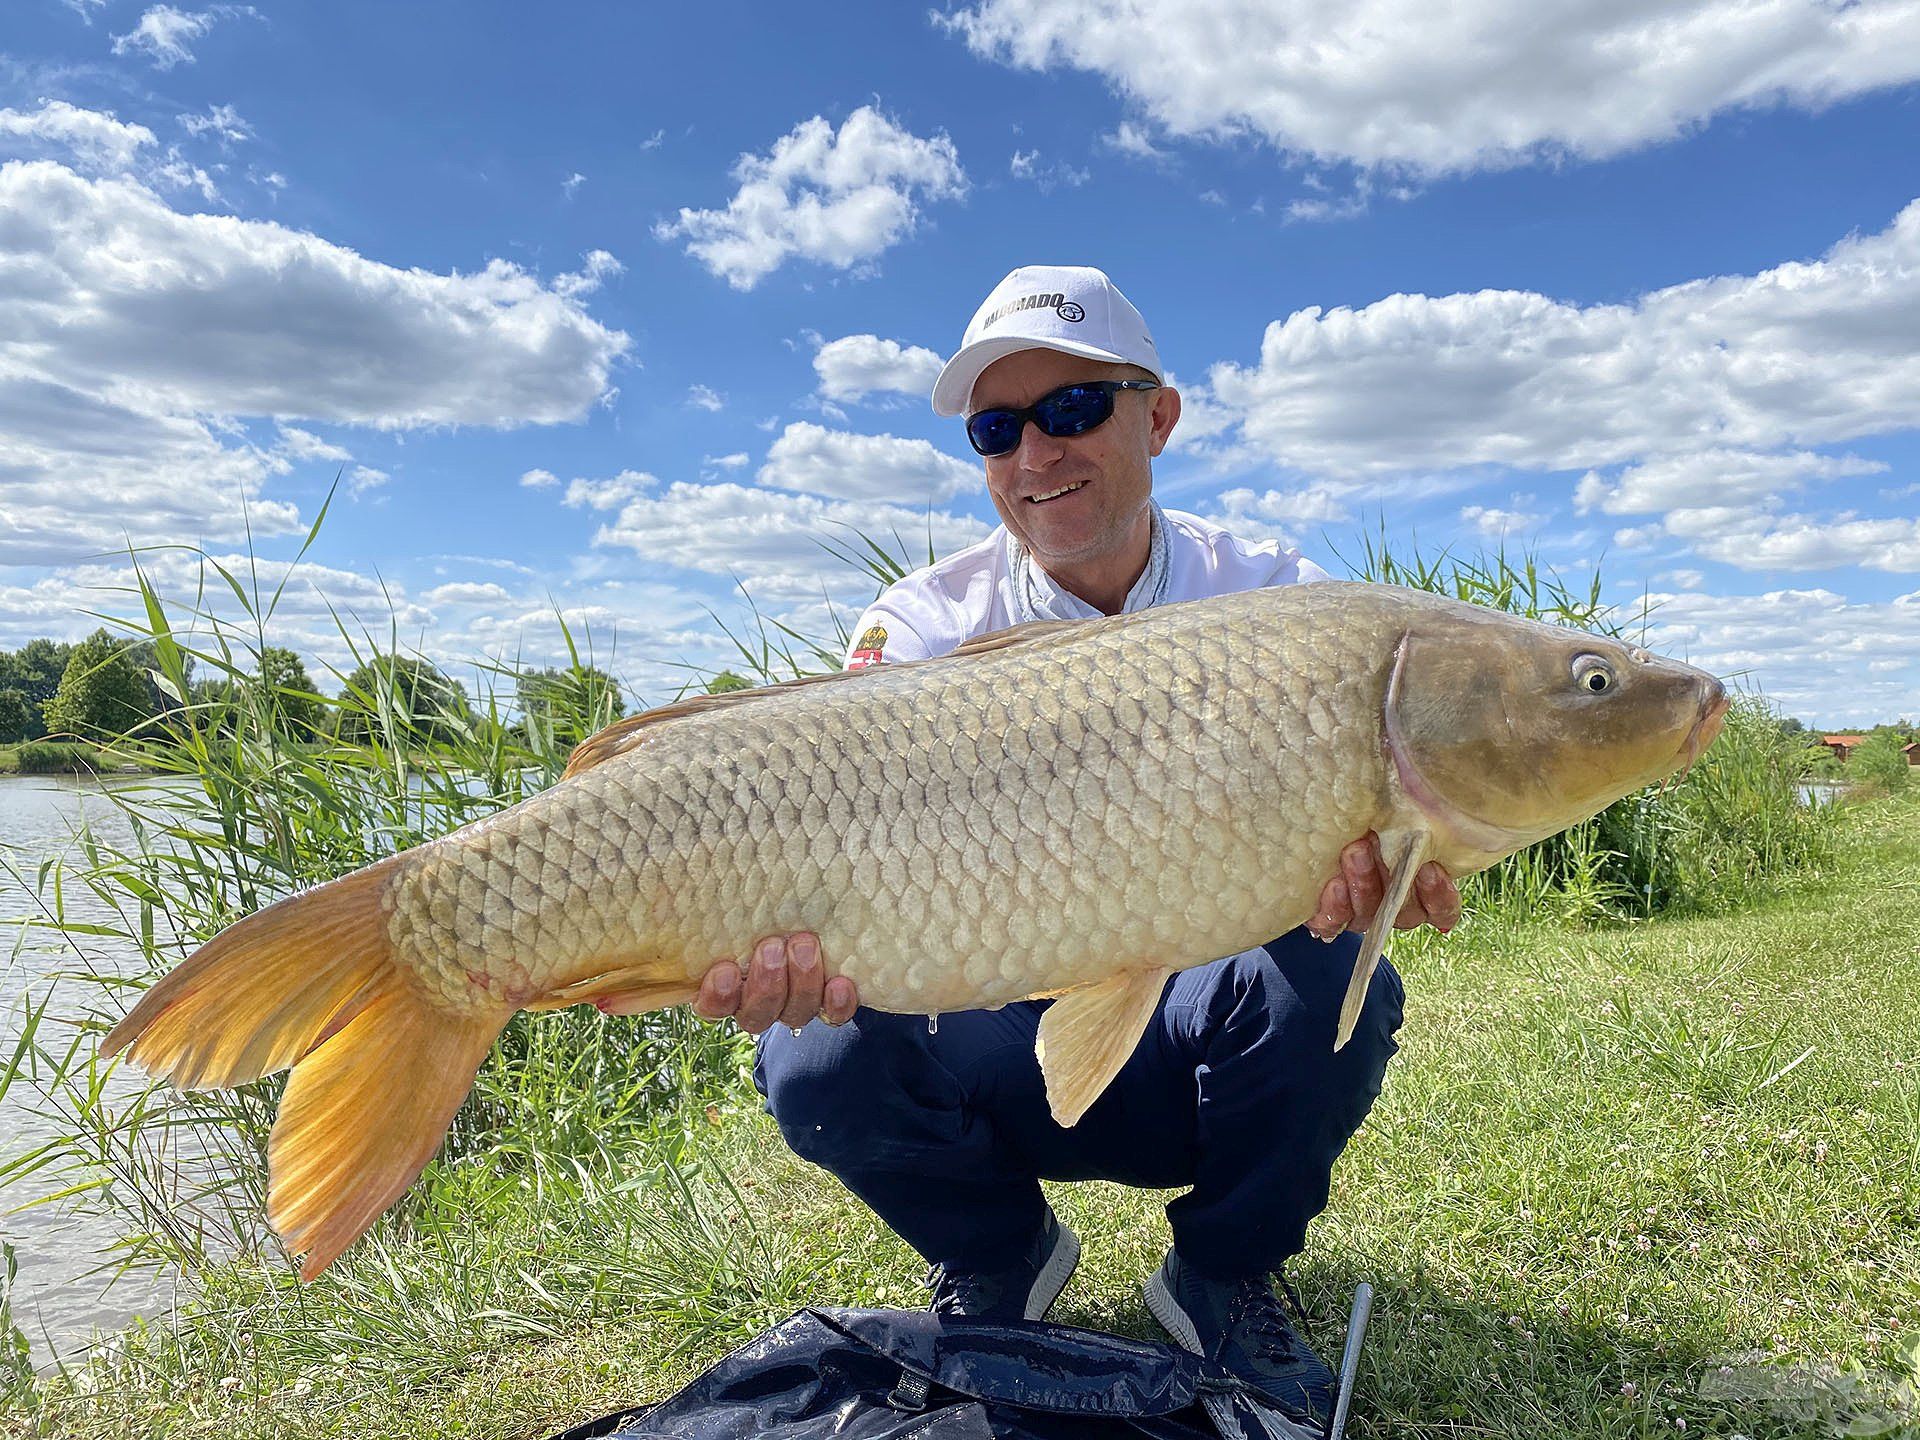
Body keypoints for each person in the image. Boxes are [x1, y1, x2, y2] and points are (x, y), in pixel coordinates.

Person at [677, 266, 1460, 1427]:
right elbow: (812, 838)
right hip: (988, 1035)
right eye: (999, 430)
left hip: (1196, 1032)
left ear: (1159, 415)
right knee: (812, 1049)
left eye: (1075, 409)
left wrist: (1381, 871)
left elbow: (1387, 843)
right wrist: (769, 952)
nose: (1036, 454)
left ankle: (1224, 1271)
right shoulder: (924, 624)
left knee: (1341, 975)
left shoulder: (1278, 598)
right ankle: (1000, 1253)